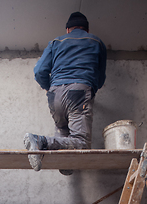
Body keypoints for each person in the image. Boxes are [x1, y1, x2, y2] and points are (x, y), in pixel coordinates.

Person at [24, 11, 107, 175]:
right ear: (86, 30)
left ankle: (66, 163)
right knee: (81, 142)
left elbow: (39, 71)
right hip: (79, 92)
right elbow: (100, 77)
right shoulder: (96, 42)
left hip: (55, 95)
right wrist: (90, 88)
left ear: (68, 29)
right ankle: (39, 141)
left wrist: (51, 88)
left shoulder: (55, 42)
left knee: (63, 131)